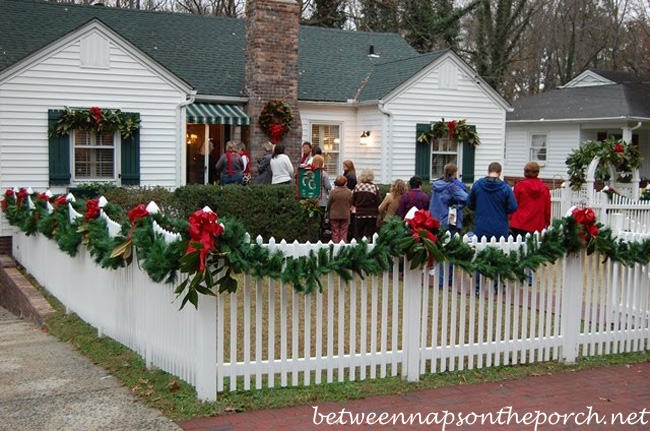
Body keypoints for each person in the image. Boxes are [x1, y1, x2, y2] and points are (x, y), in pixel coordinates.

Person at [468, 162, 517, 294]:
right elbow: (513, 207)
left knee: (480, 255)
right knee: (499, 256)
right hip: (500, 226)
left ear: (488, 170)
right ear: (499, 172)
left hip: (481, 225)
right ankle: (498, 285)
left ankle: (478, 287)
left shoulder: (478, 185)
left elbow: (470, 203)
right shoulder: (505, 188)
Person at [429, 163, 468, 288]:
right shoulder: (453, 188)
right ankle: (446, 279)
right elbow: (467, 198)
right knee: (451, 250)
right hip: (449, 221)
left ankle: (440, 278)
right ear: (455, 173)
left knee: (439, 249)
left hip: (436, 220)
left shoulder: (436, 186)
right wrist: (459, 206)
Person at [510, 161, 551, 238]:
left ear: (525, 172)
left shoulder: (519, 186)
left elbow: (513, 205)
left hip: (519, 222)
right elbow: (547, 208)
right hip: (537, 224)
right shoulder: (544, 188)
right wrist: (547, 222)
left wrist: (510, 219)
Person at [352, 168, 381, 240]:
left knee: (359, 235)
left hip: (360, 214)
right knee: (369, 235)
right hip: (372, 214)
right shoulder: (374, 187)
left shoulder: (357, 187)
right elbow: (379, 201)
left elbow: (352, 200)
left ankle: (359, 249)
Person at [327, 175, 353, 243]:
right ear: (345, 183)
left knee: (335, 232)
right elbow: (351, 202)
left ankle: (336, 246)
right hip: (345, 214)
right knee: (344, 232)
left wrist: (328, 211)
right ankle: (342, 246)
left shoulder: (333, 192)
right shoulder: (349, 192)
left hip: (334, 214)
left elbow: (329, 203)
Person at [343, 160, 357, 241]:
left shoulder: (351, 177)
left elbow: (349, 188)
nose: (343, 167)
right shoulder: (348, 174)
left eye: (345, 165)